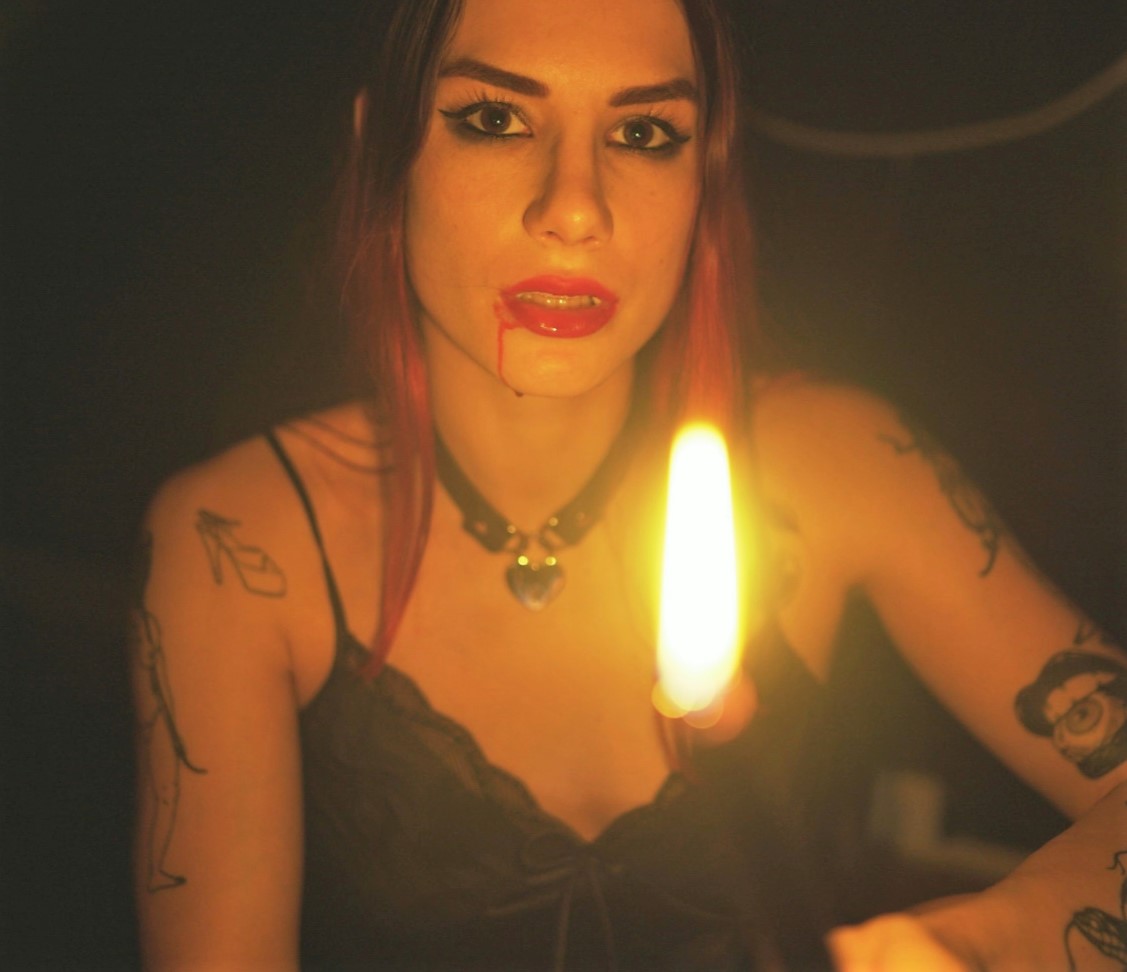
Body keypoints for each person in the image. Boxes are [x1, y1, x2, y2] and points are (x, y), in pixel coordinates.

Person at [130, 0, 1127, 968]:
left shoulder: (837, 462)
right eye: (494, 120)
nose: (574, 208)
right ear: (380, 148)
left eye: (644, 133)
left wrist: (979, 941)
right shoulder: (235, 545)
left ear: (705, 173)